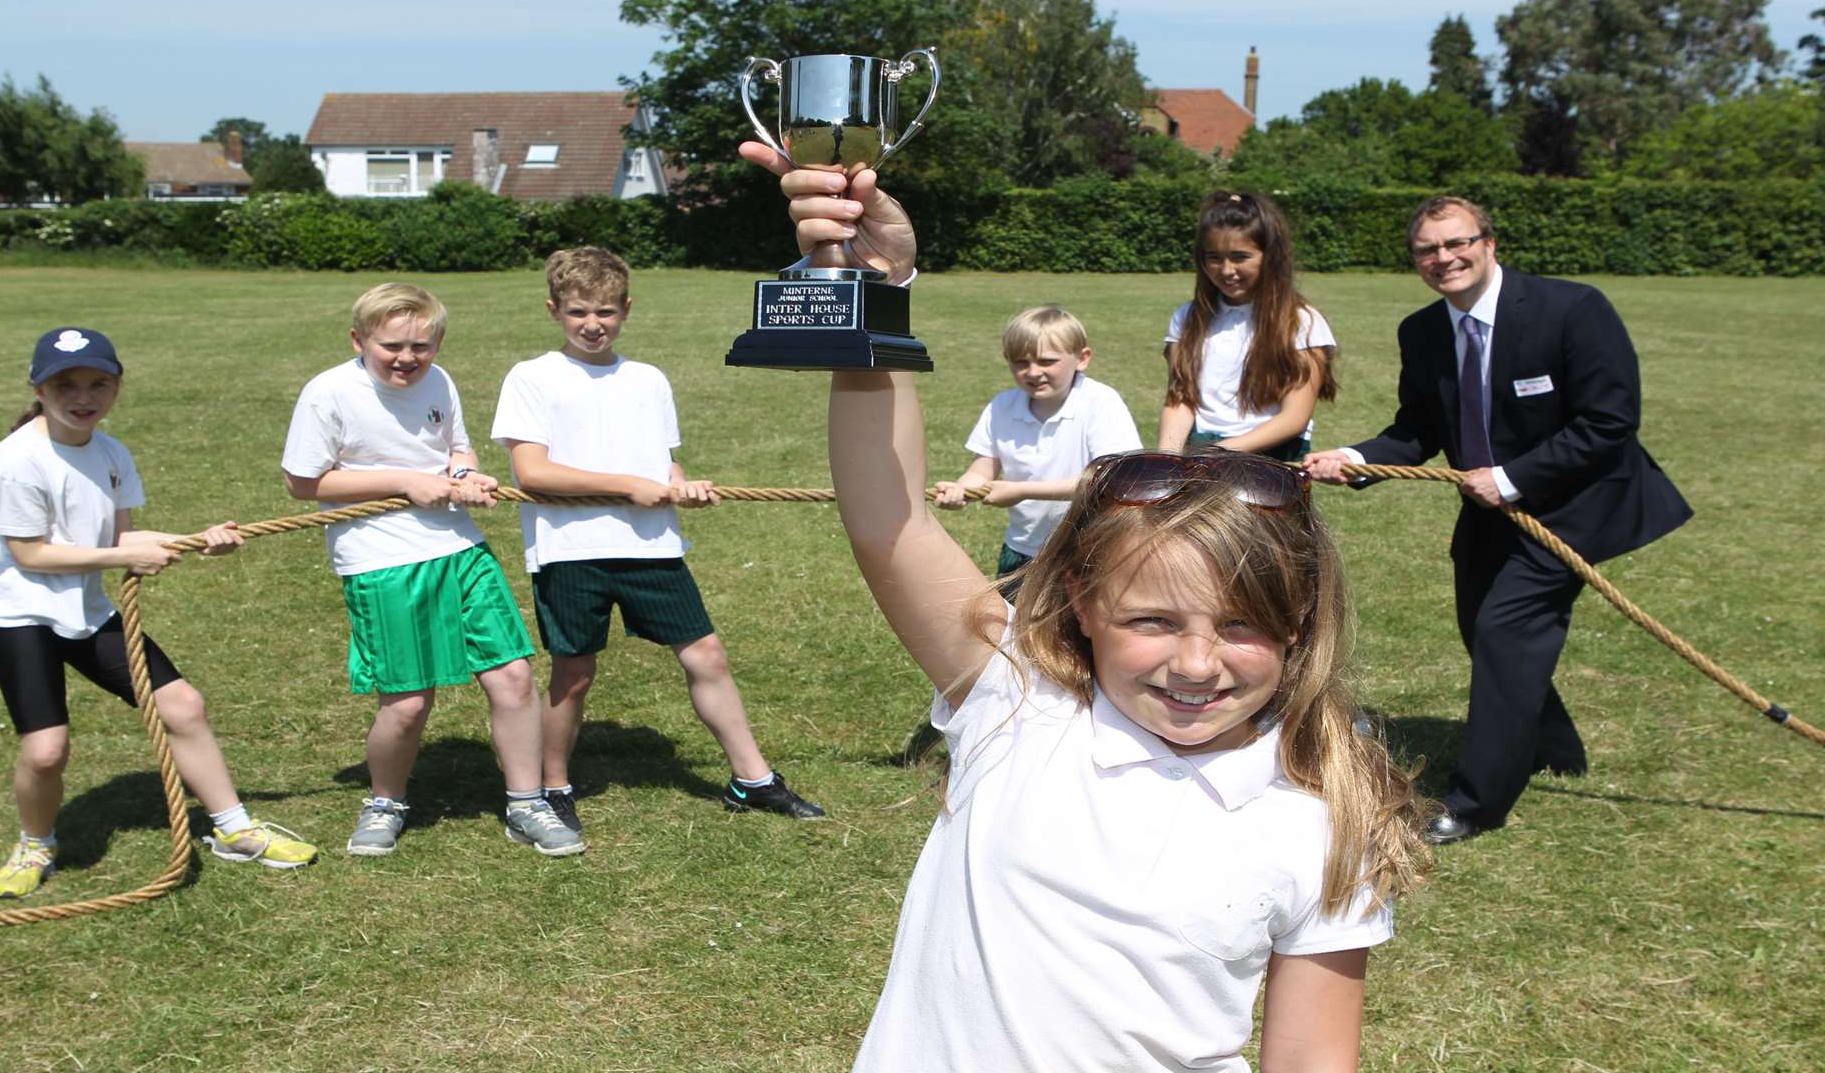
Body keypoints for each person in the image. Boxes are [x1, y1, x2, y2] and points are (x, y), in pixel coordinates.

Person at [739, 144, 1431, 1072]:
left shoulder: (1321, 812)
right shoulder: (1017, 703)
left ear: (1300, 628)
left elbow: (1311, 1061)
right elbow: (890, 521)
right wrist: (879, 287)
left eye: (1240, 627)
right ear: (1080, 604)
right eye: (1152, 621)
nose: (1196, 665)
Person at [1304, 196, 1692, 845]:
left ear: (1489, 242)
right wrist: (1355, 458)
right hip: (1488, 512)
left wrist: (1512, 478)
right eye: (1427, 250)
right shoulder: (1422, 332)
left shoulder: (1571, 310)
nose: (1444, 259)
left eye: (1458, 243)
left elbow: (1610, 422)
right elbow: (1418, 430)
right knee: (1484, 632)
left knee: (1506, 631)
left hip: (1574, 507)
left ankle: (1477, 802)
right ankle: (1555, 748)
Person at [0, 327, 318, 899]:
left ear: (117, 386)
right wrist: (124, 555)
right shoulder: (16, 460)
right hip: (18, 614)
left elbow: (119, 536)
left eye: (99, 383)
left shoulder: (111, 452)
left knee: (182, 704)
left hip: (85, 609)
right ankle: (35, 843)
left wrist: (194, 539)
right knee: (46, 750)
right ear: (38, 388)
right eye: (66, 384)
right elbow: (31, 552)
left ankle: (235, 830)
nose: (84, 396)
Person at [489, 247, 825, 848]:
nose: (593, 323)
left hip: (652, 547)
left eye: (607, 311)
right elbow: (532, 472)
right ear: (553, 310)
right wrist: (631, 487)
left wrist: (678, 485)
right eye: (578, 312)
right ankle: (555, 786)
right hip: (571, 550)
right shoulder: (533, 377)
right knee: (574, 673)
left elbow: (662, 461)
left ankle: (753, 778)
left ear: (627, 310)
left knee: (708, 657)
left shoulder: (647, 380)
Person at [281, 283, 577, 858]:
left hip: (459, 548)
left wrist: (466, 475)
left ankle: (526, 802)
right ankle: (385, 801)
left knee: (513, 676)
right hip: (381, 560)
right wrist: (402, 480)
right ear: (358, 339)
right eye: (391, 346)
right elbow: (302, 482)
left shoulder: (438, 382)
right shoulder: (328, 393)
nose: (407, 359)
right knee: (408, 701)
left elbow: (458, 449)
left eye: (422, 346)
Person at [932, 305, 1142, 600]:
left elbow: (1110, 479)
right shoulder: (1002, 407)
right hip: (1023, 549)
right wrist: (961, 490)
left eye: (1047, 361)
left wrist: (1022, 490)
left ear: (1082, 359)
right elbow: (983, 468)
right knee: (1014, 635)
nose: (1033, 372)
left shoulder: (1100, 402)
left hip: (1091, 549)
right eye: (1020, 362)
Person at [1158, 190, 1339, 461]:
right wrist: (1167, 456)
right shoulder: (1187, 317)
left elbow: (1295, 417)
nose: (1227, 270)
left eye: (1240, 257)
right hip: (1199, 454)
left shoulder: (1302, 322)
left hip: (1268, 459)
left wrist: (1221, 452)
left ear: (1270, 256)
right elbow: (1180, 399)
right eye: (1214, 258)